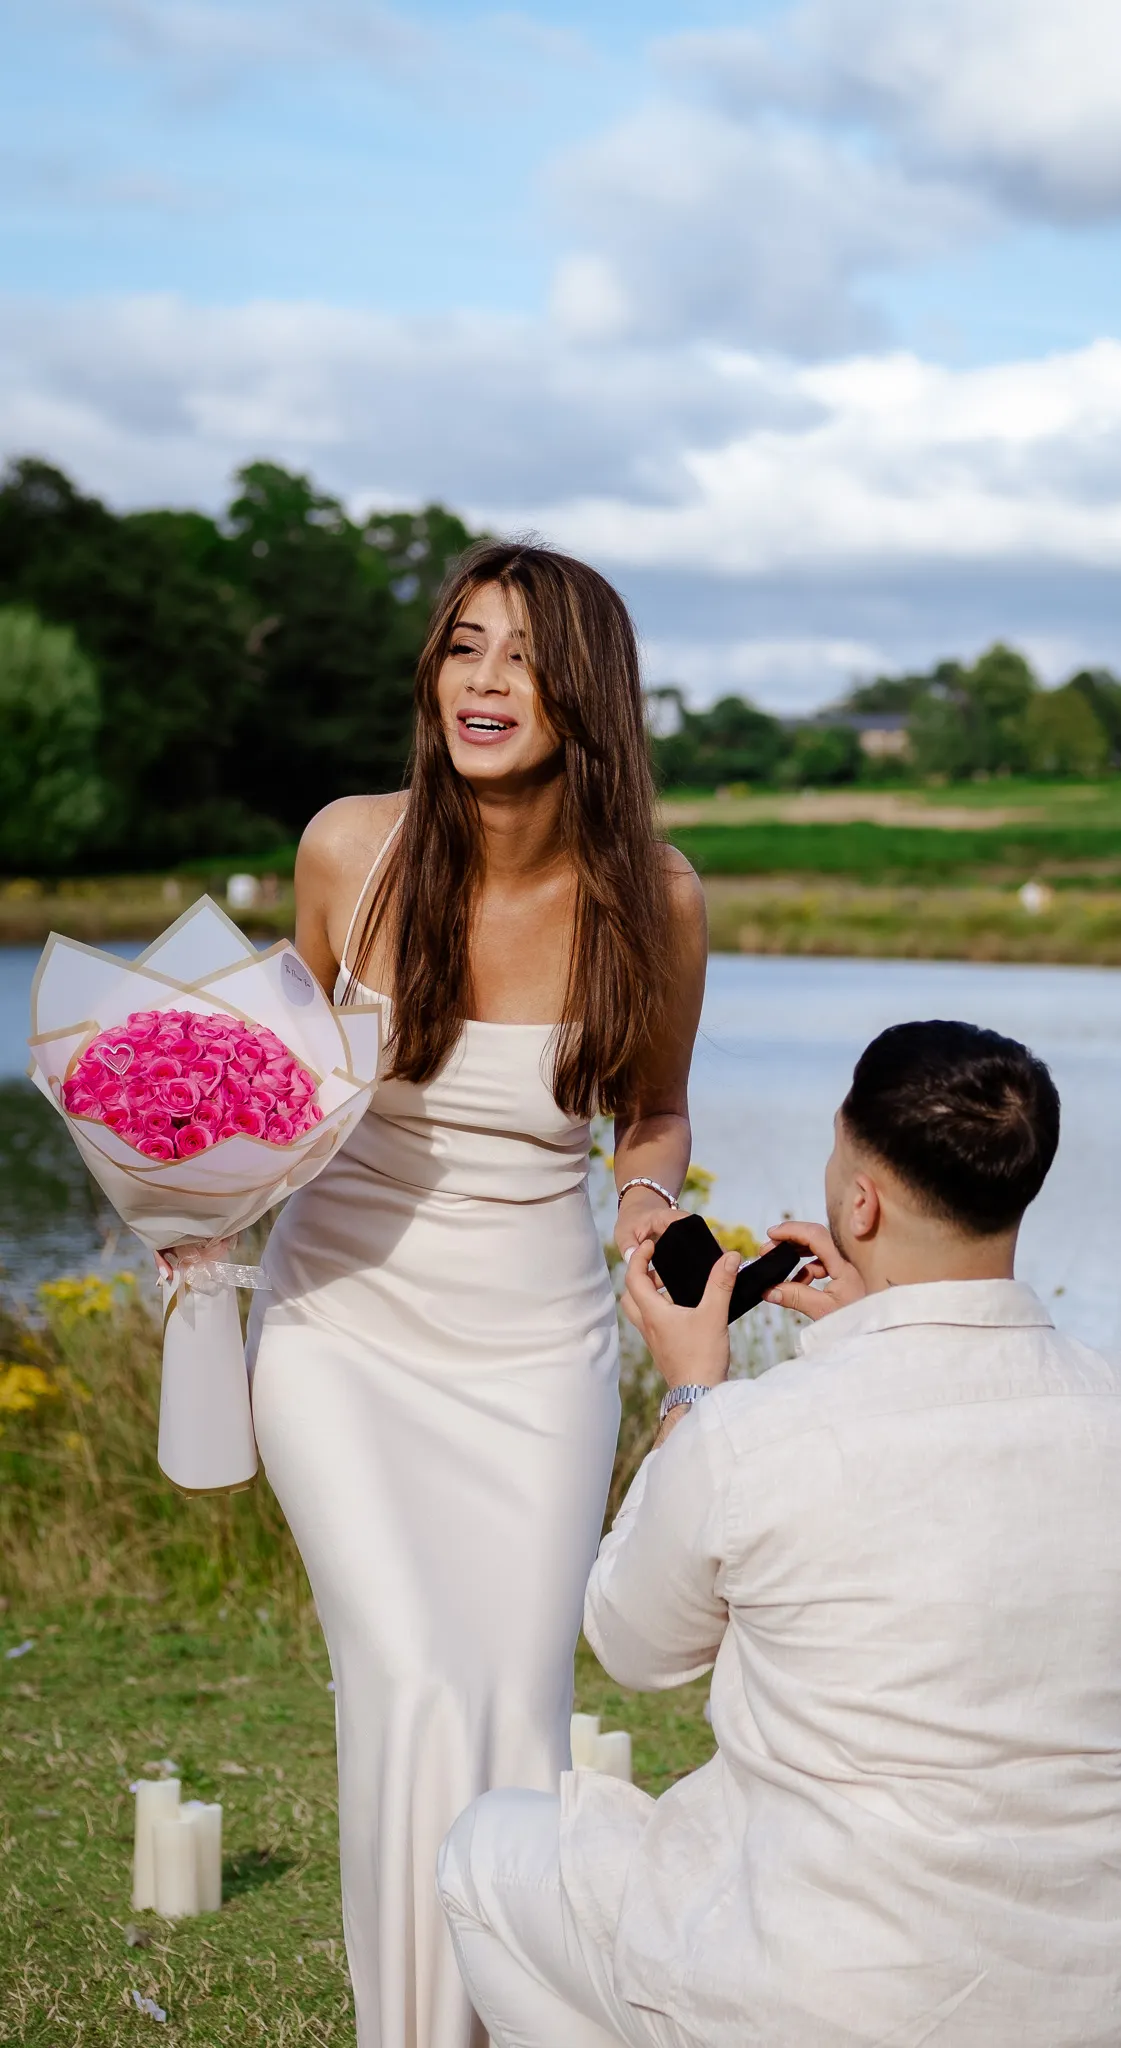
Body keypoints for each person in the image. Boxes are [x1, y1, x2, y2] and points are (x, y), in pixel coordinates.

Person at [438, 1020, 1121, 2048]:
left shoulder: (754, 1433)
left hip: (823, 2002)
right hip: (1099, 2013)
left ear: (860, 1203)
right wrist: (860, 1326)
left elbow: (634, 1645)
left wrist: (691, 1391)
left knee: (487, 1848)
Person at [247, 540, 706, 2048]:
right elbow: (270, 1082)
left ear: (588, 693)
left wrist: (645, 1204)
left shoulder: (658, 898)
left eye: (522, 653)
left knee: (511, 1704)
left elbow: (654, 1108)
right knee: (408, 1678)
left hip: (536, 1347)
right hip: (339, 1321)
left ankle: (500, 2018)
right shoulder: (347, 850)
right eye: (463, 645)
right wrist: (193, 1195)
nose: (485, 681)